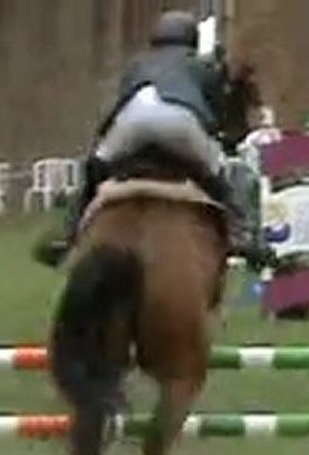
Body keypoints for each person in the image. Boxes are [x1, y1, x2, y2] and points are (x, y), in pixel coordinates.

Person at [39, 10, 248, 268]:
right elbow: (219, 114)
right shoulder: (201, 66)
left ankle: (67, 236)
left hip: (132, 124)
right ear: (191, 40)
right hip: (182, 125)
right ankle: (241, 235)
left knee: (93, 173)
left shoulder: (137, 64)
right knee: (222, 179)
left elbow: (121, 101)